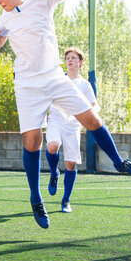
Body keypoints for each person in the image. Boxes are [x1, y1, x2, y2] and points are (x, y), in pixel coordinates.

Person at [0, 0, 131, 229]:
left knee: (92, 119)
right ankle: (36, 198)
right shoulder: (4, 20)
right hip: (27, 85)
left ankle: (119, 162)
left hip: (54, 78)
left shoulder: (41, 0)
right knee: (33, 140)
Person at [46, 47, 99, 213]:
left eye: (73, 58)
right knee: (53, 146)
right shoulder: (58, 80)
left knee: (70, 163)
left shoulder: (84, 85)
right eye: (68, 57)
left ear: (80, 63)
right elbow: (46, 97)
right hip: (55, 119)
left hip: (73, 125)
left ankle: (66, 201)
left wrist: (89, 116)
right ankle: (54, 172)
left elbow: (93, 105)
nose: (70, 60)